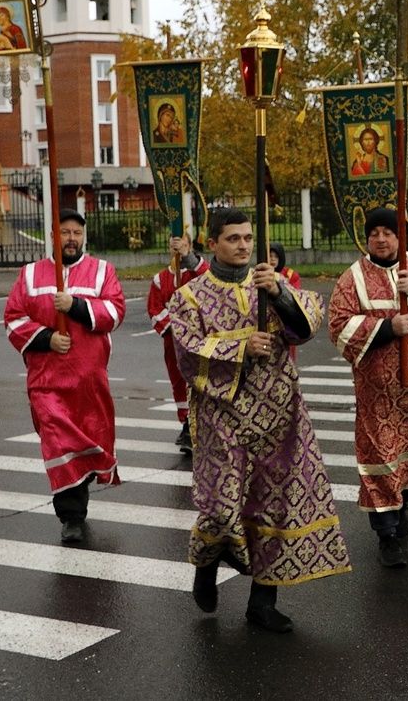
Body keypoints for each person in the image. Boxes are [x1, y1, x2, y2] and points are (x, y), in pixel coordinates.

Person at [168, 208, 351, 632]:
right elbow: (187, 353)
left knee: (275, 504)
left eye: (248, 238)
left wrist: (282, 295)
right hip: (222, 416)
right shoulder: (190, 296)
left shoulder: (269, 283)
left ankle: (263, 602)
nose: (244, 246)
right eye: (233, 238)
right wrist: (240, 347)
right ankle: (206, 566)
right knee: (221, 505)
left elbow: (306, 326)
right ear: (212, 243)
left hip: (280, 414)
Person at [328, 208, 408, 568]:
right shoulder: (352, 278)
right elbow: (338, 326)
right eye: (374, 233)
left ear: (399, 237)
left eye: (388, 232)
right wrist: (387, 329)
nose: (381, 239)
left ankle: (401, 504)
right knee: (381, 466)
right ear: (366, 239)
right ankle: (387, 535)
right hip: (379, 399)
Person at [3, 209, 125, 544]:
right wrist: (45, 338)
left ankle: (78, 499)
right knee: (58, 442)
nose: (71, 239)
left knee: (85, 442)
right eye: (64, 232)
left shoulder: (102, 271)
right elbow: (13, 317)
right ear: (53, 236)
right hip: (47, 381)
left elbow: (115, 312)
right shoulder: (30, 275)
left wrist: (75, 306)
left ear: (84, 236)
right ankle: (70, 517)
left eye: (76, 233)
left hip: (88, 380)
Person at [145, 232, 210, 454]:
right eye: (172, 245)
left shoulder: (198, 273)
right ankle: (187, 425)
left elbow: (210, 283)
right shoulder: (160, 279)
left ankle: (203, 427)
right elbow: (155, 308)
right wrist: (174, 327)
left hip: (201, 343)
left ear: (190, 245)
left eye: (182, 244)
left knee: (202, 381)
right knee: (178, 382)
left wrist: (188, 256)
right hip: (174, 345)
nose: (176, 248)